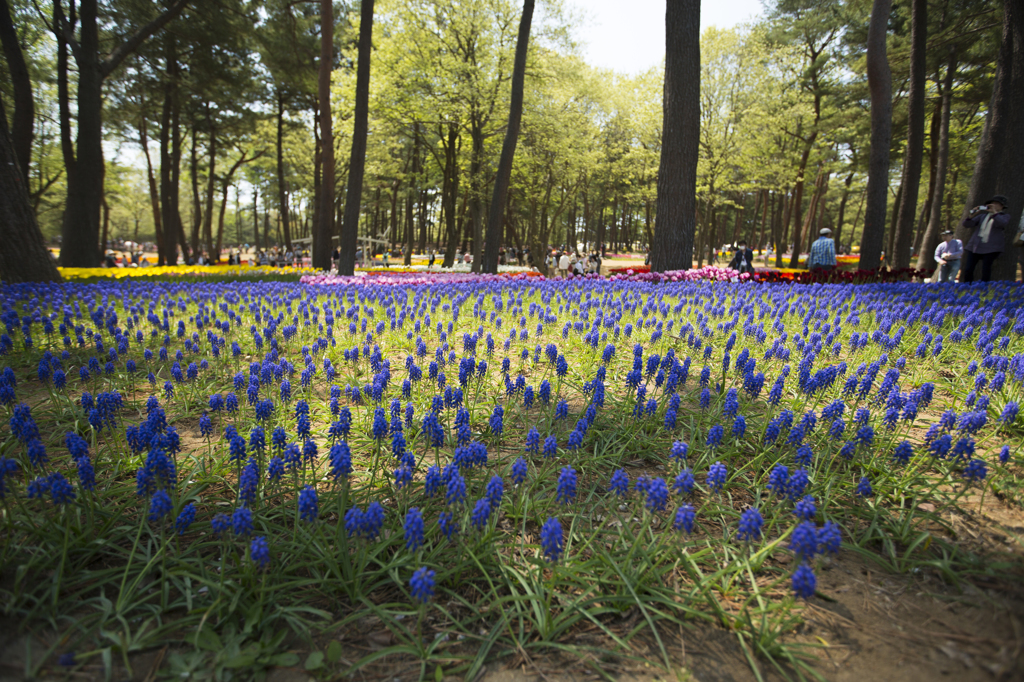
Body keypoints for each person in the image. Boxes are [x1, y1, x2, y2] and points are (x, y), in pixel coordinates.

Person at [961, 195, 1010, 282]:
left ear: (1002, 206)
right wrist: (971, 216)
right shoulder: (982, 216)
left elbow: (1002, 223)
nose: (993, 205)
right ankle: (967, 285)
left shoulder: (1004, 216)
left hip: (991, 247)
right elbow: (966, 225)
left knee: (986, 269)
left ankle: (984, 286)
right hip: (975, 246)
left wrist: (994, 213)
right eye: (992, 203)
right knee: (968, 268)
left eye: (996, 204)